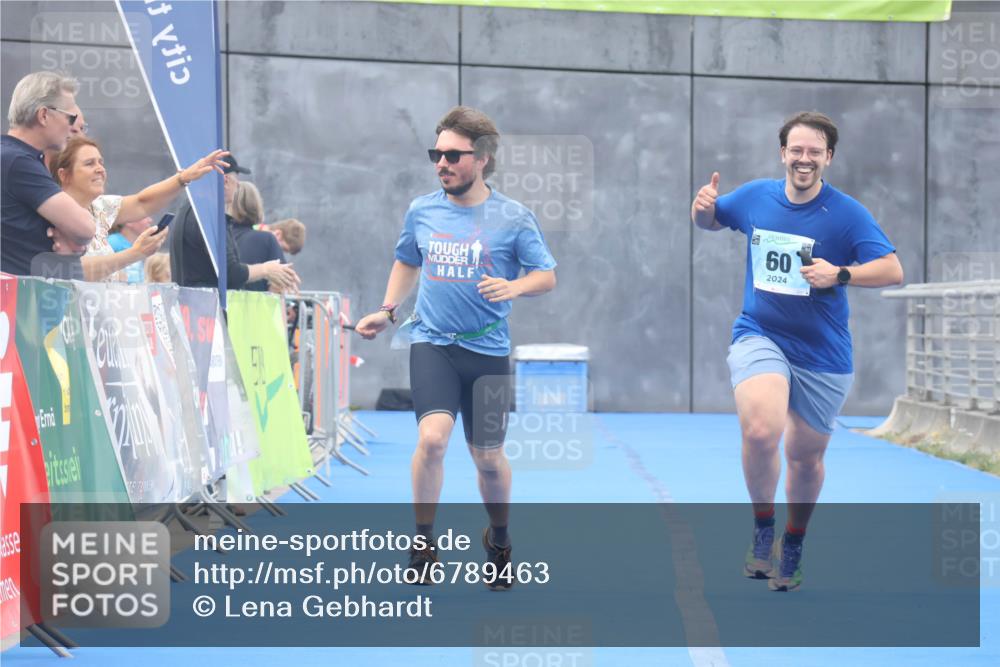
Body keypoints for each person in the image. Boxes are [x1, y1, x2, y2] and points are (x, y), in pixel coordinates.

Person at [691, 111, 904, 592]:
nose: (803, 159)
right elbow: (709, 220)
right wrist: (701, 207)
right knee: (762, 429)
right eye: (796, 150)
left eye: (814, 152)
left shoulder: (846, 213)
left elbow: (892, 269)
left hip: (823, 353)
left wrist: (840, 273)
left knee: (805, 458)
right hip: (760, 333)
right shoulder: (754, 197)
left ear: (828, 157)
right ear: (782, 152)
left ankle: (793, 540)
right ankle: (763, 527)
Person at [355, 106, 557, 590]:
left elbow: (546, 275)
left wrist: (515, 287)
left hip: (486, 353)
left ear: (483, 158)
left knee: (487, 458)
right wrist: (387, 311)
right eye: (436, 154)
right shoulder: (422, 210)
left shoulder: (513, 218)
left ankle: (500, 539)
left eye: (452, 155)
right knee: (432, 440)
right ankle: (424, 542)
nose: (441, 163)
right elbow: (407, 260)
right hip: (432, 343)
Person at [49, 136, 228, 282]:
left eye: (101, 162)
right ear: (64, 175)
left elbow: (143, 202)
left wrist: (183, 178)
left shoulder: (100, 206)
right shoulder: (53, 215)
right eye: (89, 163)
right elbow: (73, 270)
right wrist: (135, 253)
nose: (100, 169)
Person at [2, 71, 94, 277]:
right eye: (69, 118)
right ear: (44, 115)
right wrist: (73, 233)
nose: (72, 127)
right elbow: (85, 228)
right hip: (24, 302)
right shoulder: (17, 162)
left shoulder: (17, 158)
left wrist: (71, 237)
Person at [168, 153, 299, 293]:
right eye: (236, 180)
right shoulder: (209, 215)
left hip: (191, 305)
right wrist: (266, 269)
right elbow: (230, 273)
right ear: (225, 181)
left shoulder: (189, 209)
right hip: (205, 308)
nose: (238, 185)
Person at [228, 181, 287, 291]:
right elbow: (278, 286)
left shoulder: (219, 238)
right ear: (256, 205)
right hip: (257, 307)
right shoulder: (267, 240)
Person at [108, 216, 155, 284]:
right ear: (129, 221)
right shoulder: (113, 242)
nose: (150, 220)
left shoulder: (137, 245)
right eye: (145, 217)